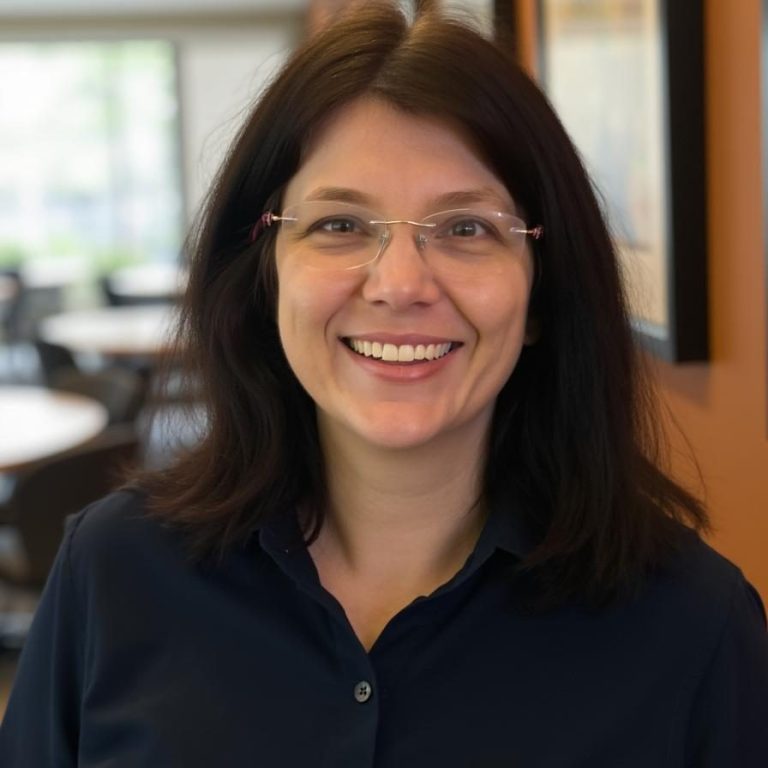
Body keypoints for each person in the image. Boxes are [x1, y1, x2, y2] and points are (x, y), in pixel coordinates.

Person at [1, 4, 767, 766]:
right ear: (264, 278)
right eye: (340, 225)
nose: (400, 285)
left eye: (467, 228)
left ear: (542, 293)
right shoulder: (112, 572)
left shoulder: (695, 629)